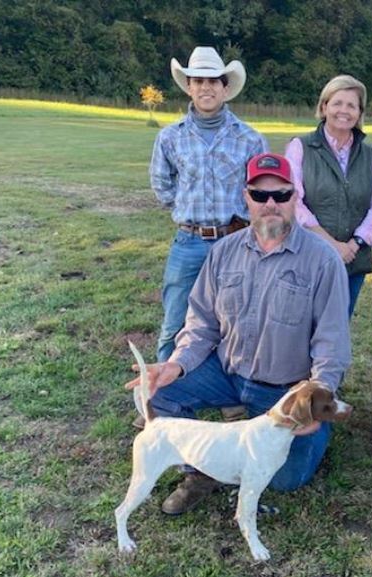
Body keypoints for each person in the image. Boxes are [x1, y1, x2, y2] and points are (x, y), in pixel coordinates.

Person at [126, 153, 351, 515]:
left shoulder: (323, 260)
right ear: (245, 198)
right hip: (227, 373)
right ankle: (199, 470)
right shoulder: (223, 252)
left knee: (286, 478)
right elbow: (201, 324)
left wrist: (316, 400)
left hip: (284, 391)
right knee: (160, 391)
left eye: (282, 194)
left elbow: (332, 342)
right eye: (260, 196)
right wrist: (176, 365)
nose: (271, 205)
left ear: (296, 198)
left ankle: (299, 434)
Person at [150, 46, 269, 363]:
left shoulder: (250, 139)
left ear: (225, 87)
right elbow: (162, 184)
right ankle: (161, 396)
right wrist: (189, 212)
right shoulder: (169, 138)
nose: (206, 87)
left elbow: (261, 191)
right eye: (198, 81)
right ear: (188, 86)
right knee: (175, 321)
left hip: (235, 242)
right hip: (188, 242)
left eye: (213, 81)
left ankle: (226, 392)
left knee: (232, 320)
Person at [285, 74, 372, 318]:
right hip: (307, 256)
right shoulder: (301, 147)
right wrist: (332, 245)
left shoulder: (370, 155)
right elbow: (293, 201)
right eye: (337, 103)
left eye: (351, 105)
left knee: (338, 328)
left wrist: (353, 245)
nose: (344, 110)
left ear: (359, 113)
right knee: (302, 326)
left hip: (353, 260)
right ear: (324, 107)